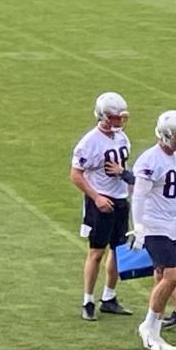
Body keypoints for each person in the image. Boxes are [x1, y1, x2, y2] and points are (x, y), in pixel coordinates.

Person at [70, 91, 133, 321]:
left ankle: (109, 297)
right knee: (96, 252)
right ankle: (88, 300)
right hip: (100, 201)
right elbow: (76, 174)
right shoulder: (90, 142)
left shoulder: (122, 138)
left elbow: (122, 169)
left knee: (119, 250)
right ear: (104, 116)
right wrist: (96, 197)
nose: (119, 121)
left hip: (119, 199)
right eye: (115, 117)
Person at [129, 111, 176, 350]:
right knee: (173, 276)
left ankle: (155, 331)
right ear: (167, 136)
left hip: (173, 225)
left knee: (163, 275)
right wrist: (139, 227)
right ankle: (149, 326)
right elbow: (139, 196)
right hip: (155, 226)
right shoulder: (149, 160)